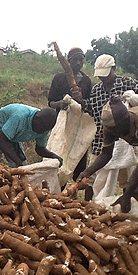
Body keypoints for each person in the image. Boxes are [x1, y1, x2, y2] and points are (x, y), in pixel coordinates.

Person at [83, 54, 138, 200]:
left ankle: (129, 202)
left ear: (113, 68)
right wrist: (81, 102)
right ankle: (87, 205)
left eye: (105, 75)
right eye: (100, 76)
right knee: (92, 177)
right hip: (102, 137)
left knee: (126, 176)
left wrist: (132, 99)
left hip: (125, 140)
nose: (102, 78)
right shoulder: (96, 90)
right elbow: (91, 111)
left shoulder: (127, 83)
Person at [78, 97, 138, 213]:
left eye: (115, 129)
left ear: (124, 121)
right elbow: (106, 154)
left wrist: (128, 193)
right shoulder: (111, 126)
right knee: (134, 191)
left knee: (135, 186)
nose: (113, 133)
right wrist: (87, 172)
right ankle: (128, 214)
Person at [48, 47, 92, 182]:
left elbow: (90, 105)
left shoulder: (86, 81)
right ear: (68, 61)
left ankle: (72, 193)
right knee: (58, 154)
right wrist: (59, 104)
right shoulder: (59, 78)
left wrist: (81, 102)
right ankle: (57, 189)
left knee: (78, 158)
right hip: (61, 125)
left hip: (79, 127)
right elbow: (50, 102)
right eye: (75, 60)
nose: (79, 63)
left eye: (81, 60)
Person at [0, 103, 63, 168]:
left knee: (22, 168)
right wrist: (17, 161)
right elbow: (1, 140)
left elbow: (40, 149)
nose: (42, 132)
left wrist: (54, 156)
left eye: (46, 130)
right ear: (36, 119)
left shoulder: (44, 127)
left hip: (12, 135)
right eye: (42, 129)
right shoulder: (20, 117)